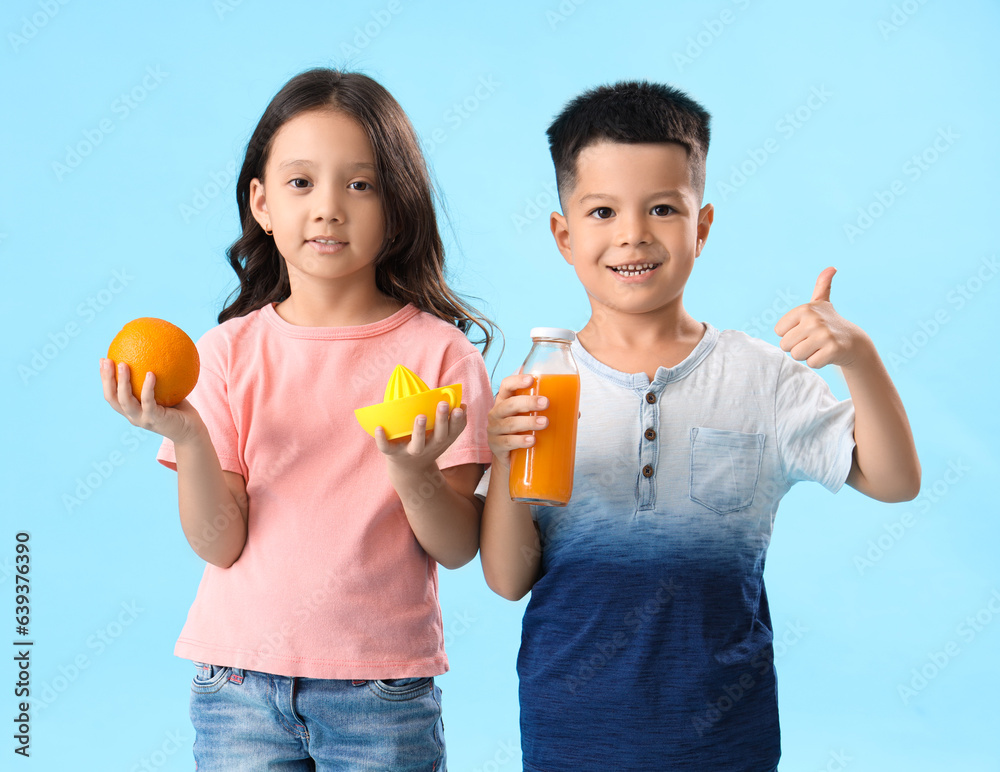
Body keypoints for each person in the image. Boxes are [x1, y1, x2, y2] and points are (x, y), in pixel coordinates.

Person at [479, 81, 920, 771]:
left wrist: (858, 359)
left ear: (702, 226)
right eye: (602, 211)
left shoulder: (764, 379)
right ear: (564, 235)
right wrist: (506, 458)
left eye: (662, 208)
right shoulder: (542, 385)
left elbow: (894, 481)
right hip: (571, 736)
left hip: (725, 740)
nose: (632, 234)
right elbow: (507, 579)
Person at [99, 68, 494, 771]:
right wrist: (187, 433)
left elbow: (459, 545)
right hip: (238, 687)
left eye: (361, 184)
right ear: (261, 203)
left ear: (398, 205)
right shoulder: (223, 354)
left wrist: (409, 470)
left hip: (383, 691)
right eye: (301, 182)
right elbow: (220, 545)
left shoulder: (442, 355)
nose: (329, 208)